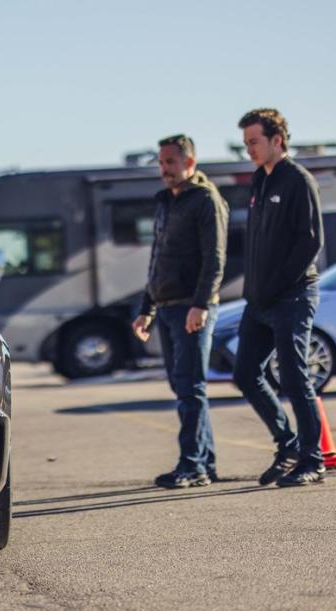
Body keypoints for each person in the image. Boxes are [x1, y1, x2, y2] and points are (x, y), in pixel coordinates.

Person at [232, 108, 326, 487]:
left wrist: (276, 287)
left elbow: (310, 241)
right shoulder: (259, 181)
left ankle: (312, 459)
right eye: (246, 144)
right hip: (258, 302)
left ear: (277, 140)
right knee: (245, 373)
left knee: (293, 376)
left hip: (293, 296)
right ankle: (287, 443)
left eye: (254, 142)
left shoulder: (298, 180)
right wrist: (254, 291)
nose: (249, 150)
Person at [131, 134, 228, 488]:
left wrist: (201, 303)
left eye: (171, 162)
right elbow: (157, 260)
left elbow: (215, 258)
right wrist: (147, 309)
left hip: (193, 306)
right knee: (182, 385)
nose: (164, 169)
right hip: (168, 307)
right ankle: (206, 462)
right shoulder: (165, 202)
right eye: (161, 163)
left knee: (190, 387)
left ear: (190, 162)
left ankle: (192, 465)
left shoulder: (206, 200)